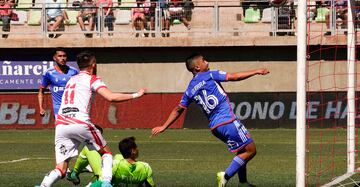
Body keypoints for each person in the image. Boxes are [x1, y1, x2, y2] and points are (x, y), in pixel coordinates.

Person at [151, 53, 269, 187]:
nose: (207, 62)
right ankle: (225, 176)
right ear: (197, 67)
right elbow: (234, 77)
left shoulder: (190, 89)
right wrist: (257, 71)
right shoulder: (210, 74)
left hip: (215, 127)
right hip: (228, 121)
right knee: (250, 150)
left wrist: (164, 126)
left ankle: (242, 182)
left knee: (242, 151)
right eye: (204, 60)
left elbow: (178, 109)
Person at [37, 51, 147, 187]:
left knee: (61, 169)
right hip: (80, 122)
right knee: (106, 153)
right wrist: (137, 94)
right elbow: (111, 97)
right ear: (93, 64)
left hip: (61, 124)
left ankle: (43, 185)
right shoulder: (92, 79)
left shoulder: (71, 79)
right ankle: (106, 183)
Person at [67, 136, 155, 187]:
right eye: (137, 148)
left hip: (104, 176)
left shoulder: (116, 164)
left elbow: (102, 182)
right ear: (133, 151)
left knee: (88, 148)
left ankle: (75, 173)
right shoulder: (146, 168)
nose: (138, 149)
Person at [38, 48, 78, 118]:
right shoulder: (49, 73)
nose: (62, 58)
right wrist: (41, 107)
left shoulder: (74, 72)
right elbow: (41, 91)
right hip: (58, 109)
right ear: (54, 58)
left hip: (73, 108)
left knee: (74, 128)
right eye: (60, 56)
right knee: (62, 128)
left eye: (64, 56)